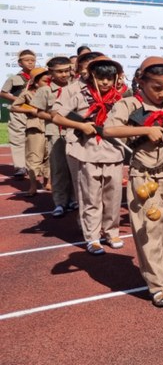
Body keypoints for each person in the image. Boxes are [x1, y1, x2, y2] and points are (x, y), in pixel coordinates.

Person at [103, 56, 163, 307]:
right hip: (144, 176)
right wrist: (144, 130)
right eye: (157, 87)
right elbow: (108, 130)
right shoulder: (129, 105)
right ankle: (157, 285)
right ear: (141, 81)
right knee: (148, 229)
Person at [51, 56, 126, 255]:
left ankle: (112, 231)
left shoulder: (121, 95)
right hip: (86, 150)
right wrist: (80, 125)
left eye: (109, 78)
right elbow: (56, 115)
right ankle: (92, 237)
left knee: (113, 196)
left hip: (113, 150)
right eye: (100, 77)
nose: (105, 82)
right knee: (90, 196)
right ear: (92, 75)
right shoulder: (74, 90)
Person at [30, 57, 77, 217]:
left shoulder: (76, 87)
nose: (64, 74)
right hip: (56, 132)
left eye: (66, 70)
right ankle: (59, 202)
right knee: (58, 168)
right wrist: (55, 117)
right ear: (50, 72)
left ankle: (73, 199)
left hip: (75, 132)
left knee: (75, 168)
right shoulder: (45, 90)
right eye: (59, 71)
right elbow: (36, 111)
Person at [10, 68, 50, 196]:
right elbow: (14, 107)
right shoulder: (27, 93)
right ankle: (33, 185)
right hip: (35, 128)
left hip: (51, 127)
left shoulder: (54, 92)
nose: (48, 82)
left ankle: (48, 182)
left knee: (50, 156)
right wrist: (30, 110)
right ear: (36, 82)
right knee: (33, 157)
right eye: (45, 81)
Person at [1, 50, 37, 179]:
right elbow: (3, 92)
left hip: (35, 111)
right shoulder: (14, 78)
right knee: (17, 138)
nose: (30, 63)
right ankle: (20, 166)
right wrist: (17, 100)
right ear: (20, 63)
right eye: (27, 60)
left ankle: (33, 164)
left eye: (32, 60)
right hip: (19, 110)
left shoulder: (38, 77)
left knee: (34, 138)